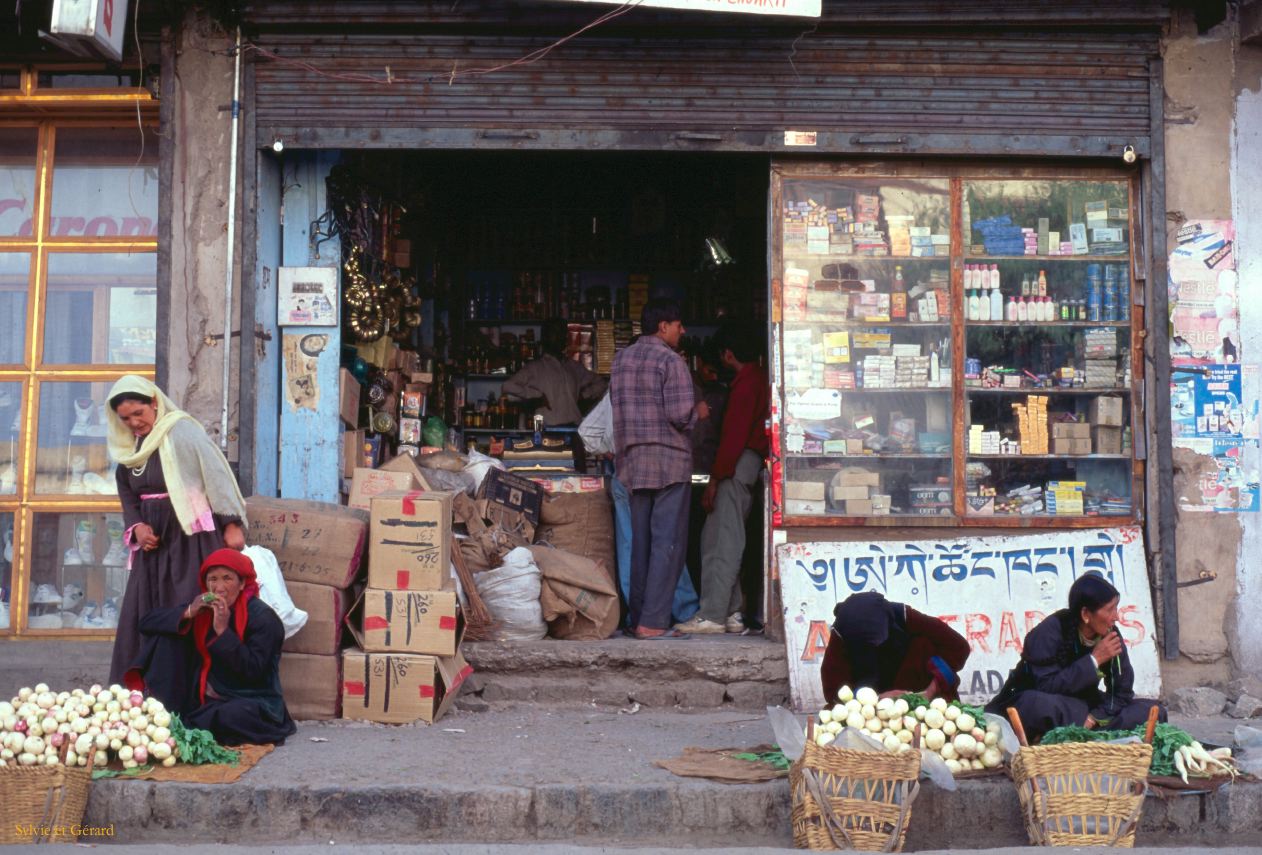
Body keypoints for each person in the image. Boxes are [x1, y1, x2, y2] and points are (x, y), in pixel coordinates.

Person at [106, 375, 248, 683]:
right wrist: (137, 526)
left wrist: (231, 523)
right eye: (126, 418)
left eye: (138, 413)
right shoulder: (131, 450)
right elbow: (127, 492)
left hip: (190, 540)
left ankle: (194, 687)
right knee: (147, 610)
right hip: (154, 547)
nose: (133, 422)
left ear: (154, 404)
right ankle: (147, 686)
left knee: (191, 605)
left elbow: (215, 475)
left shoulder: (182, 432)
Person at [124, 549, 296, 745]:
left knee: (231, 716)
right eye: (212, 579)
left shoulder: (264, 618)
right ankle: (167, 712)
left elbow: (253, 672)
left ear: (242, 584)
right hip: (205, 695)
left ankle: (179, 726)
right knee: (168, 634)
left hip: (251, 699)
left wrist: (223, 631)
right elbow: (147, 623)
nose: (219, 587)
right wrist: (189, 612)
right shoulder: (202, 610)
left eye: (227, 579)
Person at [610, 298, 708, 639]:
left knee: (640, 544)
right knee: (667, 544)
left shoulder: (620, 359)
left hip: (633, 462)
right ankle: (652, 623)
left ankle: (637, 617)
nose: (682, 330)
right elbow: (681, 415)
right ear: (662, 326)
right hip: (668, 462)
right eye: (678, 324)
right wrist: (701, 412)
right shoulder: (670, 360)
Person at [986, 574, 1166, 743]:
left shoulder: (1109, 634)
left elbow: (1122, 692)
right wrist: (1094, 660)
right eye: (1110, 609)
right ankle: (1085, 733)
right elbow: (1046, 687)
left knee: (1153, 712)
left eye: (1116, 608)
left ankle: (1079, 733)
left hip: (1085, 708)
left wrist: (1096, 716)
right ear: (1086, 614)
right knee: (1035, 705)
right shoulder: (1048, 632)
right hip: (1048, 704)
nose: (1116, 617)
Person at [675, 323, 768, 635]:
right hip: (747, 466)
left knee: (719, 541)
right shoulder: (758, 378)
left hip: (736, 466)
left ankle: (712, 614)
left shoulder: (746, 384)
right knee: (733, 538)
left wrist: (714, 480)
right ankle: (731, 612)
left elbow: (733, 439)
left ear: (728, 354)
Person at [820, 591, 971, 704]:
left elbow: (959, 647)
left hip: (921, 693)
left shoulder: (902, 616)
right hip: (870, 705)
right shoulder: (843, 632)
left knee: (923, 645)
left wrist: (928, 692)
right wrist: (877, 699)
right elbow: (833, 691)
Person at [502, 318, 607, 427]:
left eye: (562, 333)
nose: (560, 337)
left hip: (573, 428)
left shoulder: (574, 367)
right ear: (545, 337)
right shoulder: (535, 367)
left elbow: (601, 383)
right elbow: (508, 386)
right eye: (554, 333)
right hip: (546, 430)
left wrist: (584, 395)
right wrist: (536, 395)